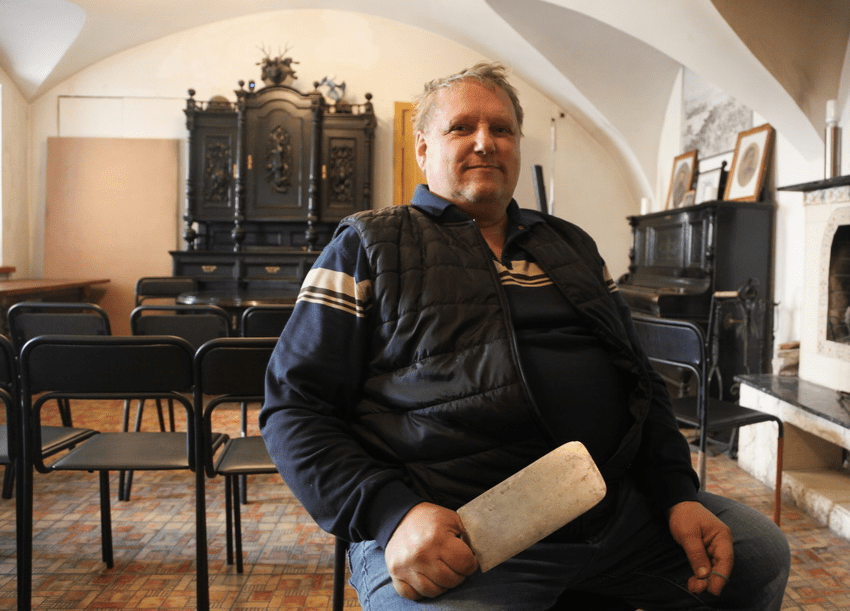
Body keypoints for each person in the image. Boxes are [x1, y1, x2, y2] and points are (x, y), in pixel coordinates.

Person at [261, 62, 790, 610]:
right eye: (461, 127)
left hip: (609, 507)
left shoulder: (570, 245)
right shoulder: (368, 246)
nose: (485, 142)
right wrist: (392, 514)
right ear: (423, 148)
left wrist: (677, 493)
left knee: (758, 554)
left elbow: (640, 381)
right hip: (458, 529)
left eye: (502, 129)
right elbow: (294, 407)